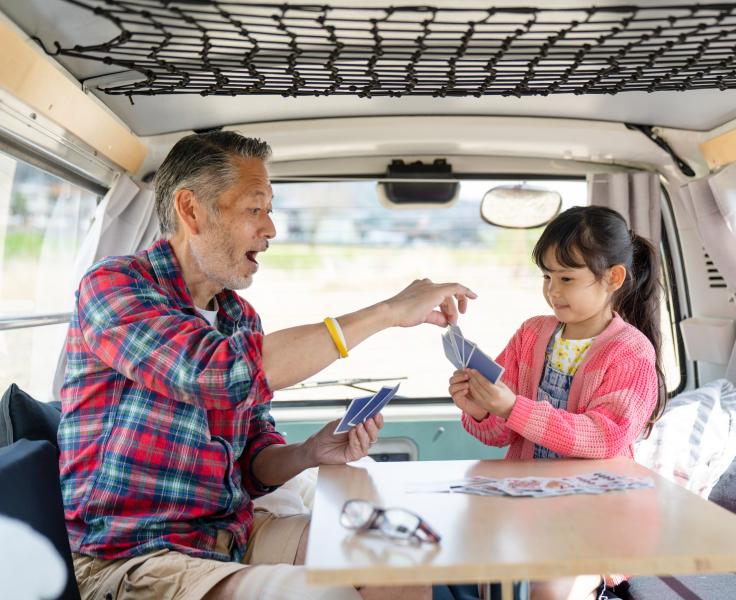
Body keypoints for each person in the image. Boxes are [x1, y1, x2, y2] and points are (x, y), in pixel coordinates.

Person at [58, 131, 476, 600]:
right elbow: (215, 373)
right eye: (254, 209)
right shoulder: (114, 286)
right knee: (324, 596)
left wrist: (310, 452)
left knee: (397, 554)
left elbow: (253, 461)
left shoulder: (239, 318)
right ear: (192, 210)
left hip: (227, 537)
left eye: (269, 210)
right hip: (132, 556)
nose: (271, 228)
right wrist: (387, 312)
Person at [445, 206, 664, 600]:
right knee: (485, 582)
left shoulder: (631, 351)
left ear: (613, 278)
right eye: (546, 277)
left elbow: (604, 437)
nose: (553, 290)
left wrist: (512, 407)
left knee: (547, 591)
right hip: (526, 506)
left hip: (597, 515)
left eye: (566, 278)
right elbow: (500, 433)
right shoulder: (530, 334)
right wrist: (480, 409)